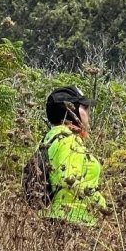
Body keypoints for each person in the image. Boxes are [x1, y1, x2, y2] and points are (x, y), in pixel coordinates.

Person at [40, 86, 106, 226]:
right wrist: (101, 206)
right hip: (73, 220)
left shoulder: (50, 138)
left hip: (61, 218)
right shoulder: (68, 139)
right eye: (85, 108)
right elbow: (69, 180)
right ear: (71, 111)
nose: (88, 113)